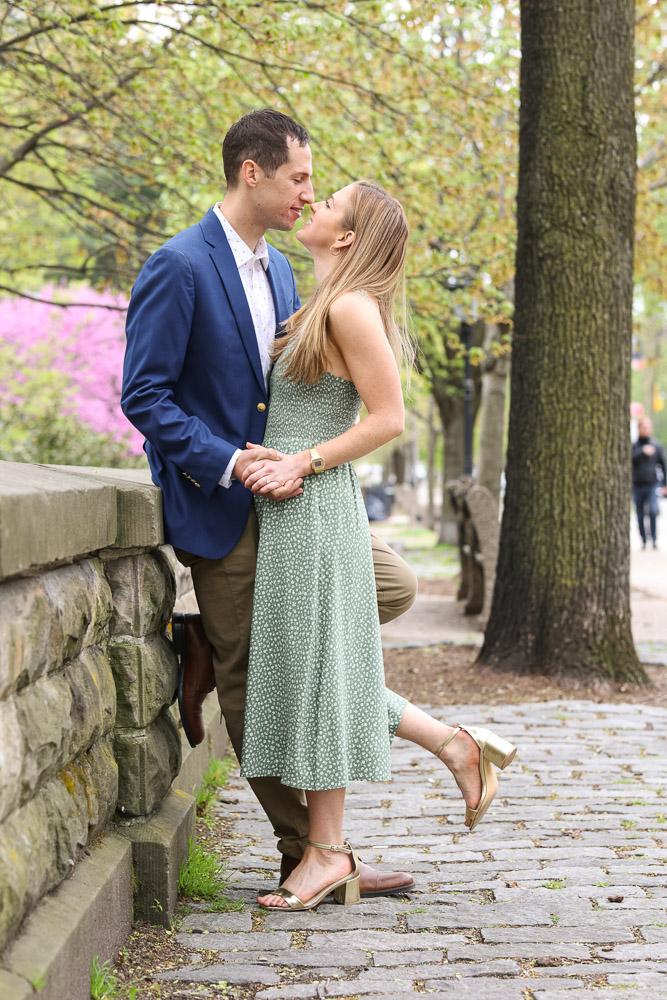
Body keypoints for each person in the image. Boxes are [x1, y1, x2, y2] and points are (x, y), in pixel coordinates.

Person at [121, 109, 418, 898]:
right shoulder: (179, 264)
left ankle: (202, 647)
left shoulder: (286, 271)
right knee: (257, 679)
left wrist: (299, 463)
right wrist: (227, 461)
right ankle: (312, 854)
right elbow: (145, 395)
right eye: (297, 179)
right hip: (221, 502)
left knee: (379, 596)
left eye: (315, 186)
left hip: (297, 502)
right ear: (251, 172)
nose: (306, 194)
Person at [238, 179, 517, 911]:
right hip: (291, 507)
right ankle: (456, 747)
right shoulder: (319, 301)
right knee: (312, 669)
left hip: (313, 505)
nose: (314, 205)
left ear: (348, 237)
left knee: (318, 672)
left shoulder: (352, 307)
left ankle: (327, 853)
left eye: (328, 202)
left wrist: (301, 460)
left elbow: (388, 418)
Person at [632, 417, 667, 550]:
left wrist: (665, 484)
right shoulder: (635, 446)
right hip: (637, 485)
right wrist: (642, 452)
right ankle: (643, 540)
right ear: (639, 429)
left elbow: (663, 465)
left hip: (652, 484)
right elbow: (630, 460)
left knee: (653, 511)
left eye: (648, 427)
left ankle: (654, 539)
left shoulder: (656, 445)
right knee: (640, 514)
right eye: (644, 428)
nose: (646, 430)